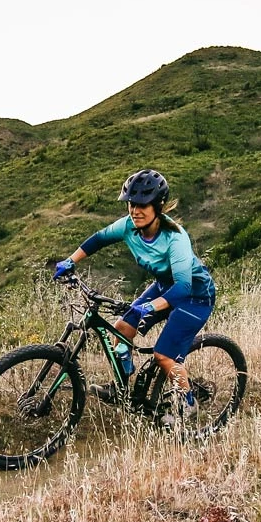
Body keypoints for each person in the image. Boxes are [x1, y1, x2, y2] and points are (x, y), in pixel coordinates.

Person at [54, 169, 218, 417]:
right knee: (122, 327)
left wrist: (150, 307)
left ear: (158, 206)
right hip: (164, 286)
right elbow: (98, 240)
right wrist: (70, 260)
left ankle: (189, 404)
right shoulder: (129, 227)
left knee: (164, 355)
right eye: (131, 204)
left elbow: (183, 287)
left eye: (143, 205)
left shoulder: (175, 238)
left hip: (194, 296)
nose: (135, 210)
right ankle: (121, 389)